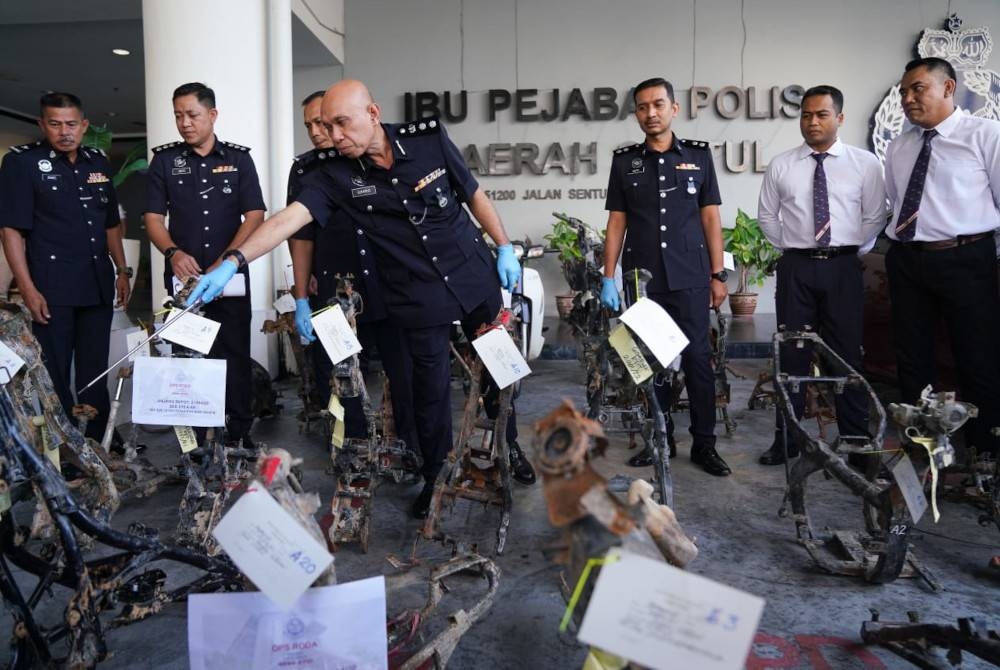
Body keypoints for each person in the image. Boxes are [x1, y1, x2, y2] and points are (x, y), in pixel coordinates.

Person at [186, 80, 532, 517]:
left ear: (372, 113)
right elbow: (289, 220)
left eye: (341, 124)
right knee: (429, 391)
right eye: (326, 127)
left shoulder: (426, 140)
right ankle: (436, 476)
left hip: (473, 275)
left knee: (499, 372)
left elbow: (473, 193)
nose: (333, 136)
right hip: (416, 293)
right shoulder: (332, 173)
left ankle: (511, 445)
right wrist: (232, 262)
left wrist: (502, 244)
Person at [600, 77, 731, 477]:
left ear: (674, 108)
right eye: (642, 107)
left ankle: (704, 444)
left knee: (696, 361)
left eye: (658, 104)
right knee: (650, 362)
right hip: (644, 280)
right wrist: (609, 275)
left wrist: (718, 273)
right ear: (636, 113)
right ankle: (662, 438)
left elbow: (710, 216)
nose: (650, 113)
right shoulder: (625, 161)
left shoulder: (698, 156)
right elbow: (616, 222)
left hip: (691, 277)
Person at [755, 85, 886, 464]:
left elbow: (875, 215)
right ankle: (788, 439)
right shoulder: (782, 164)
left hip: (844, 267)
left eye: (821, 115)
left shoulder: (865, 163)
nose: (812, 122)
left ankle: (856, 440)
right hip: (796, 268)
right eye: (806, 115)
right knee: (791, 356)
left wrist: (848, 250)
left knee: (846, 356)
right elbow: (767, 216)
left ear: (839, 118)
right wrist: (795, 249)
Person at [287, 90, 419, 454]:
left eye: (323, 122)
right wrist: (301, 297)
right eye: (310, 125)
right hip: (332, 290)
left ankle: (409, 447)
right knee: (342, 378)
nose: (316, 131)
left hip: (388, 284)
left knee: (403, 372)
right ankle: (354, 450)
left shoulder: (376, 157)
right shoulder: (304, 169)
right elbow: (300, 235)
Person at [884, 57, 1000, 456]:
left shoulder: (985, 135)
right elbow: (899, 203)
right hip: (907, 261)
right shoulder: (900, 146)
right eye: (903, 92)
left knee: (977, 357)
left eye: (918, 89)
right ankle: (923, 449)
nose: (908, 98)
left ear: (948, 88)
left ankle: (984, 453)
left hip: (965, 259)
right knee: (913, 360)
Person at [0, 92, 130, 441]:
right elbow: (11, 229)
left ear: (84, 125)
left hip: (97, 283)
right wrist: (26, 288)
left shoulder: (97, 162)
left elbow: (110, 224)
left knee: (94, 369)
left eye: (71, 124)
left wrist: (122, 269)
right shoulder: (22, 163)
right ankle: (69, 446)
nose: (64, 131)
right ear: (42, 125)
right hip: (51, 287)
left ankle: (101, 440)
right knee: (55, 372)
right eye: (55, 124)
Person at [144, 82, 266, 446]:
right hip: (185, 282)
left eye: (192, 115)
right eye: (178, 116)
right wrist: (173, 253)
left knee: (234, 355)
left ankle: (239, 435)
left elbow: (255, 215)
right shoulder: (165, 161)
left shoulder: (239, 159)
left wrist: (226, 261)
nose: (184, 123)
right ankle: (194, 442)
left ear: (212, 115)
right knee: (189, 359)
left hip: (229, 278)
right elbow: (152, 219)